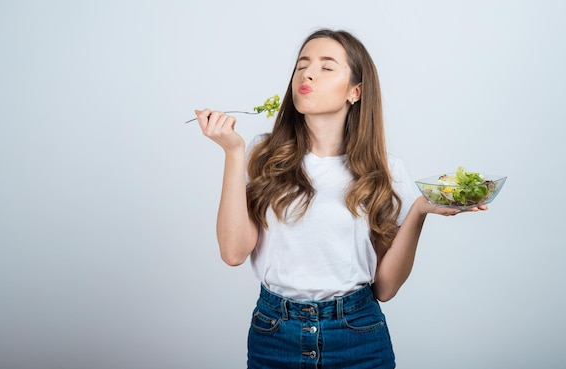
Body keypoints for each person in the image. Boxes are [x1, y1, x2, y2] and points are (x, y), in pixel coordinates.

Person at [194, 29, 486, 369]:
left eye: (326, 67)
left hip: (357, 336)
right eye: (302, 65)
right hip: (275, 334)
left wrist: (419, 210)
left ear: (355, 91)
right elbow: (233, 253)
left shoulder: (385, 170)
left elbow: (386, 288)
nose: (308, 73)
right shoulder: (261, 155)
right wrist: (233, 151)